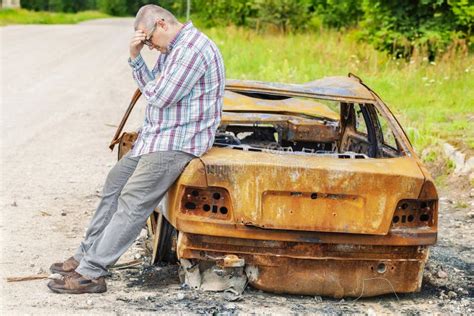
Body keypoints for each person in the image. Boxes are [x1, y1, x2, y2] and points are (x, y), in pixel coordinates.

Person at [47, 4, 225, 294]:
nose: (151, 47)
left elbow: (159, 95)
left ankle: (92, 273)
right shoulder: (173, 48)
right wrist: (141, 61)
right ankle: (84, 256)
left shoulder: (192, 50)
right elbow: (154, 89)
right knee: (114, 183)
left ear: (162, 24)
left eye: (150, 40)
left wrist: (135, 59)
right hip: (157, 136)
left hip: (179, 141)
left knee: (133, 200)